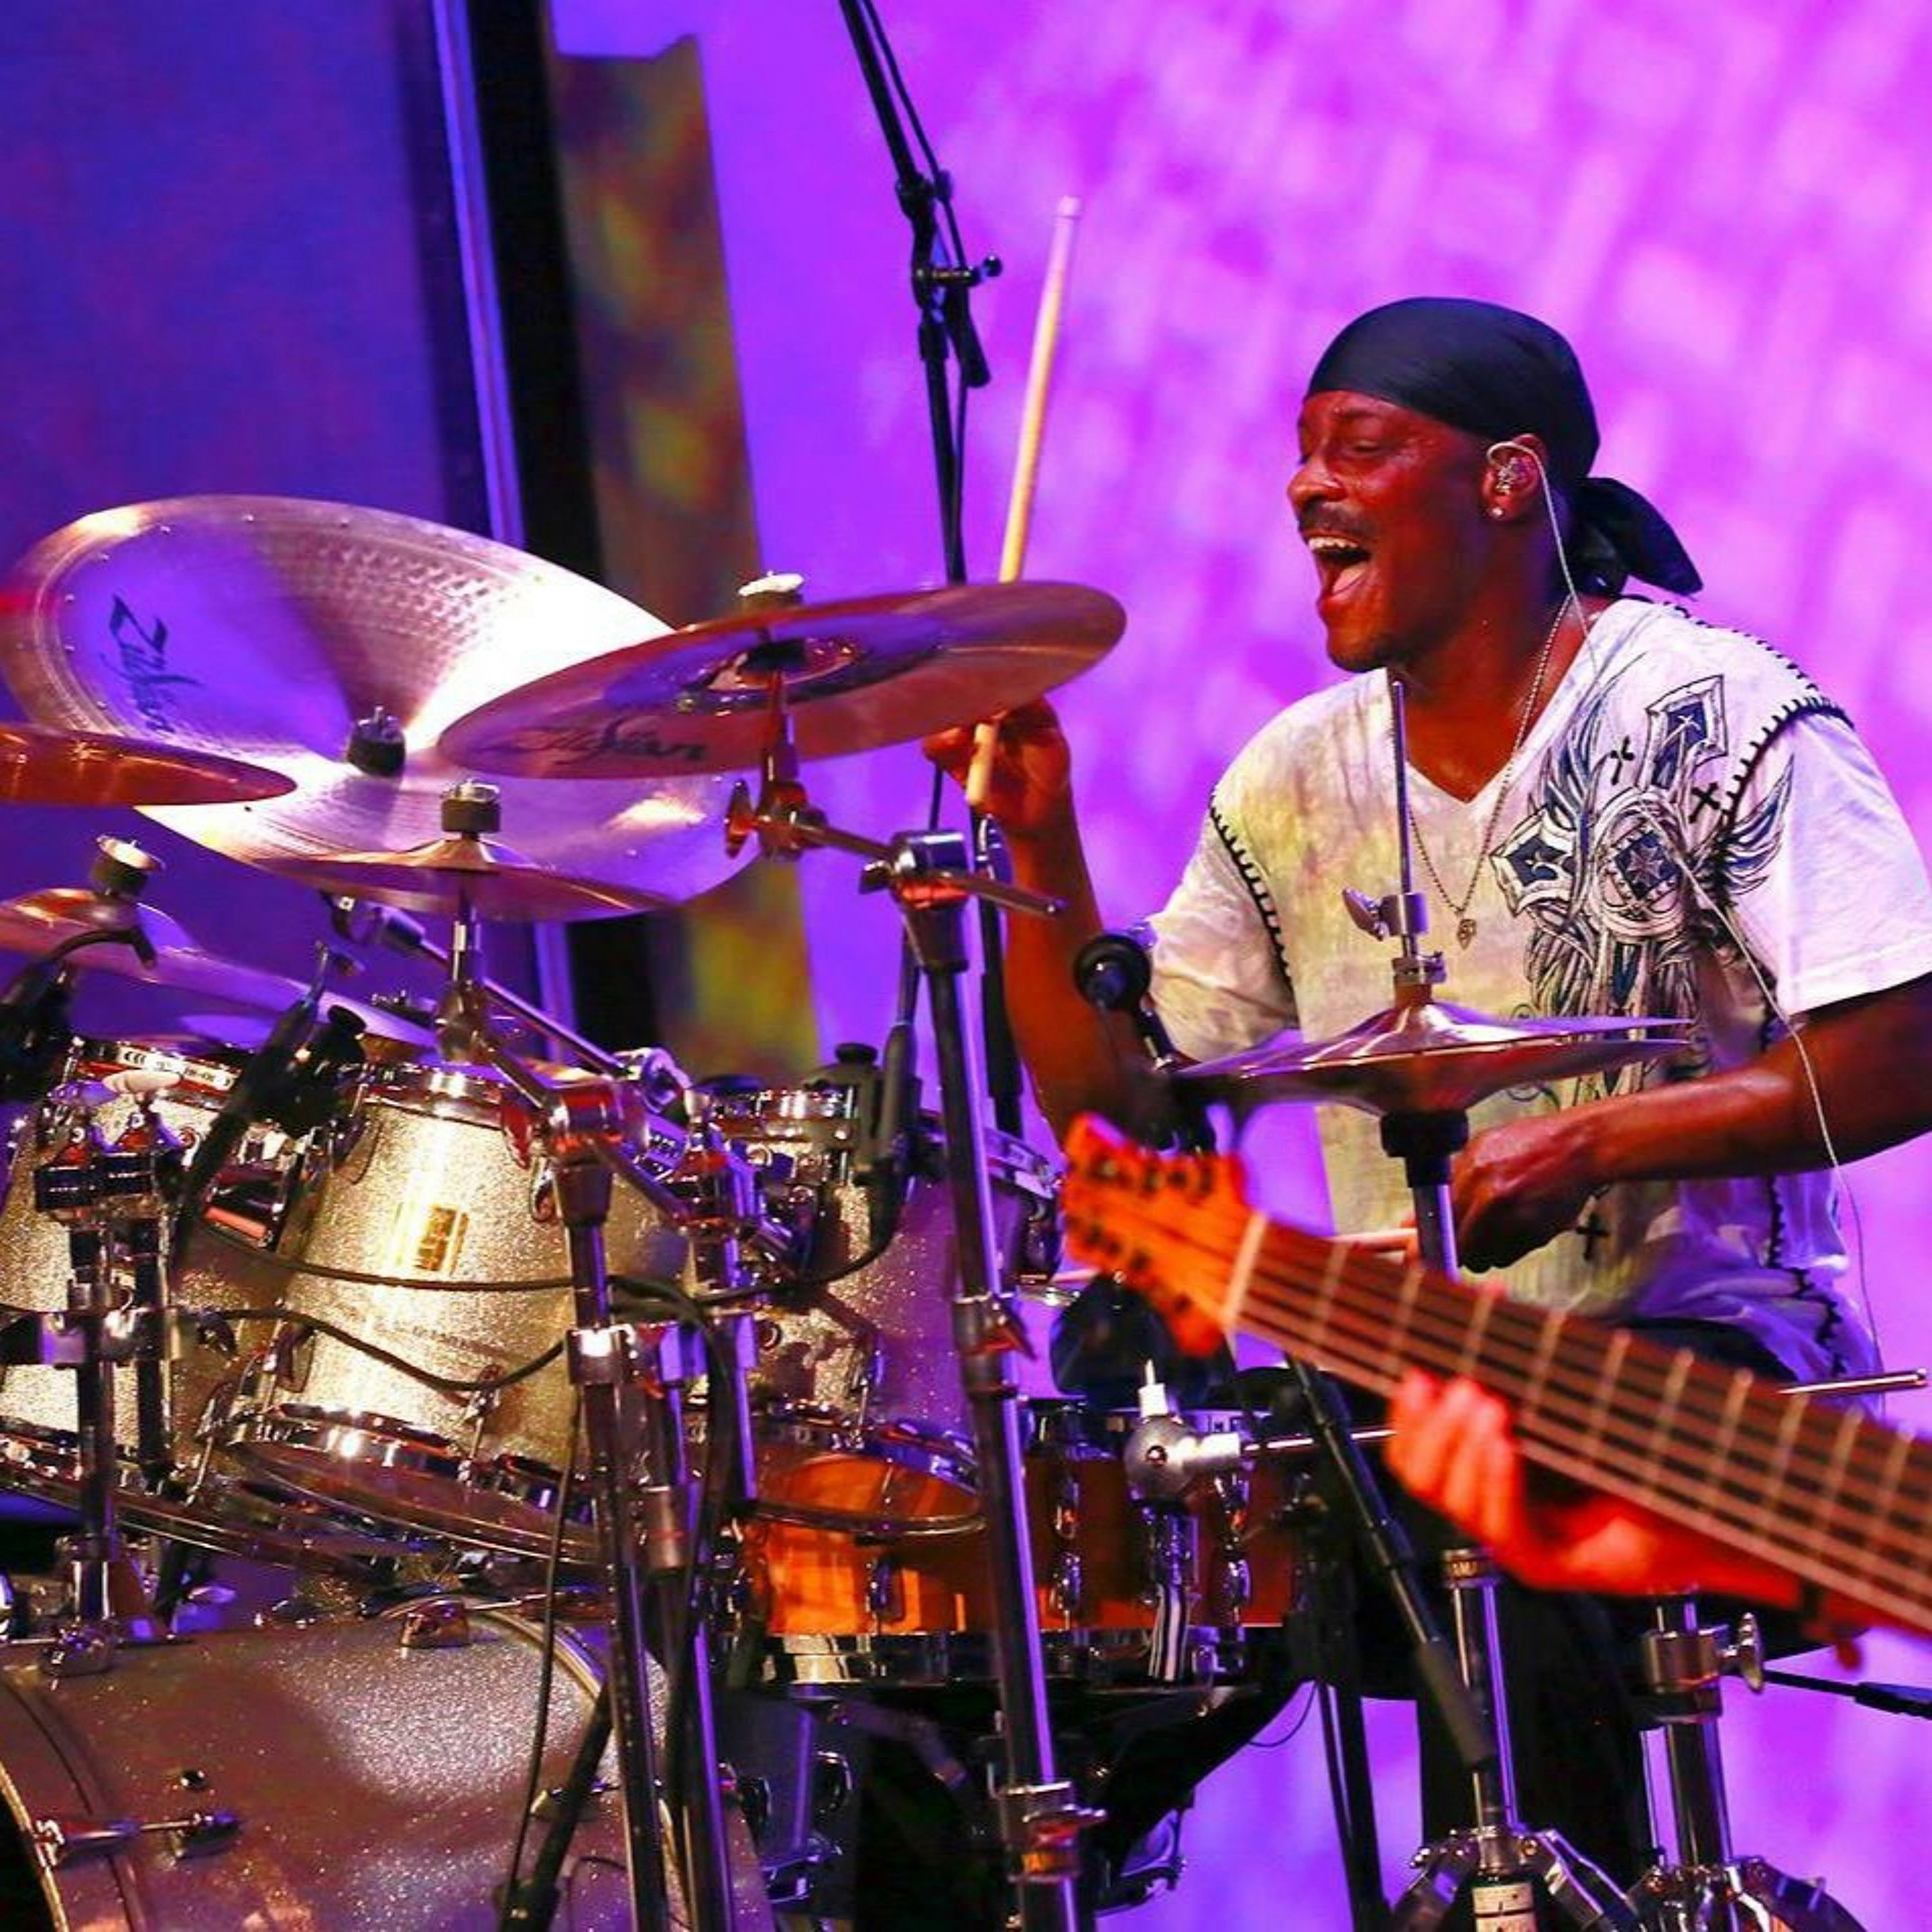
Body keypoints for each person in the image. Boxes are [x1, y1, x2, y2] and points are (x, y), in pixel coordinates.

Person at [928, 294, 1932, 1893]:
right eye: (1301, 454)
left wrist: (1595, 1140)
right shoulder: (1292, 775)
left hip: (1730, 1366)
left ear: (1508, 479)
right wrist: (1039, 841)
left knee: (1503, 1456)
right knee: (1114, 1529)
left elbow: (1903, 1046)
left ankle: (1555, 1900)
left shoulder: (1718, 714)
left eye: (1360, 446)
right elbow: (1122, 1121)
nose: (1304, 486)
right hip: (1413, 1382)